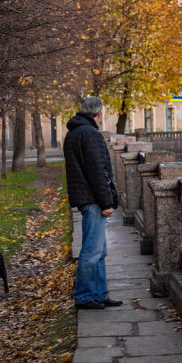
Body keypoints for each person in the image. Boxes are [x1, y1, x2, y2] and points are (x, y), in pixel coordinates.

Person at [63, 96, 123, 310]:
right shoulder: (90, 134)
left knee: (99, 250)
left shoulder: (74, 133)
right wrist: (107, 202)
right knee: (92, 251)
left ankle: (99, 294)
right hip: (93, 199)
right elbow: (97, 172)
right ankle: (86, 296)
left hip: (86, 197)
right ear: (98, 114)